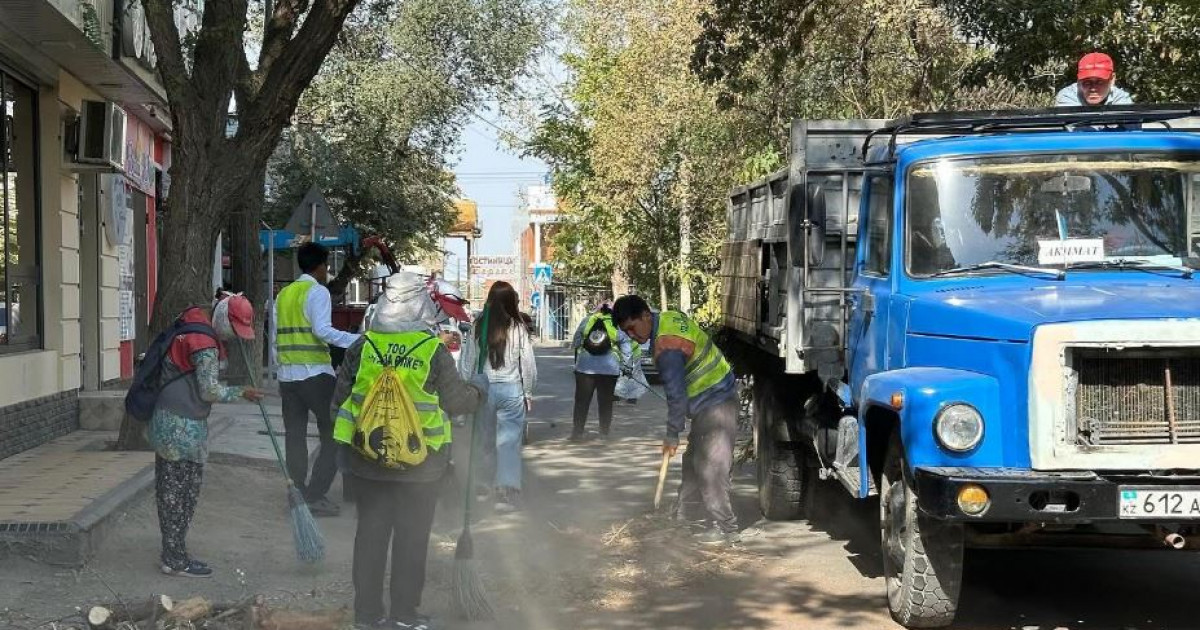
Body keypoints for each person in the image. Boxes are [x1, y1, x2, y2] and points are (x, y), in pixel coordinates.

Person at [331, 272, 484, 630]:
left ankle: (366, 615)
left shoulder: (363, 346)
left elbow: (338, 402)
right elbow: (456, 402)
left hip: (368, 461)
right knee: (412, 539)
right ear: (423, 307)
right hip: (422, 466)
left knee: (369, 536)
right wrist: (479, 393)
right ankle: (403, 614)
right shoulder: (431, 350)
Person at [150, 295, 264, 577]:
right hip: (183, 425)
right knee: (181, 493)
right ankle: (175, 559)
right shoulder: (204, 343)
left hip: (168, 419)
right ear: (224, 320)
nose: (234, 336)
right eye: (234, 329)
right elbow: (209, 390)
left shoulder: (189, 322)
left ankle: (173, 553)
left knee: (171, 489)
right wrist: (241, 392)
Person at [612, 295, 741, 545]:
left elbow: (676, 395)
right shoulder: (666, 319)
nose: (631, 335)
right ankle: (683, 519)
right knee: (692, 463)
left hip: (717, 401)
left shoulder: (666, 346)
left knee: (711, 468)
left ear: (646, 316)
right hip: (708, 401)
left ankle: (727, 530)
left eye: (632, 327)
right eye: (625, 331)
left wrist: (672, 434)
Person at [272, 242, 360, 517]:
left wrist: (280, 369)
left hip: (288, 378)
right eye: (327, 265)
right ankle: (315, 494)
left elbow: (275, 337)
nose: (328, 270)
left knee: (294, 438)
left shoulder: (283, 294)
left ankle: (296, 493)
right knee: (336, 433)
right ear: (320, 266)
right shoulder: (317, 291)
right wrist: (358, 340)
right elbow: (323, 330)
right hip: (315, 375)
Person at [475, 281, 537, 511]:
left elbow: (468, 362)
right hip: (512, 390)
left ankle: (482, 486)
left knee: (484, 440)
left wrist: (468, 389)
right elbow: (528, 364)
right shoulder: (518, 327)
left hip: (484, 390)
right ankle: (505, 493)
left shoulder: (478, 325)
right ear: (512, 302)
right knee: (509, 443)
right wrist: (528, 391)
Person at [570, 302, 634, 441]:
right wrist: (627, 367)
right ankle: (603, 435)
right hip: (609, 369)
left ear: (596, 311)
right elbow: (626, 346)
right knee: (605, 402)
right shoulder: (617, 324)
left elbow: (576, 341)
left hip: (585, 368)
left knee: (581, 402)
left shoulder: (587, 320)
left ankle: (577, 433)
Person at [1055, 52, 1133, 107]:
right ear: (1078, 81)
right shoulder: (1067, 96)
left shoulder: (1121, 98)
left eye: (1100, 82)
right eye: (1087, 82)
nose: (1093, 88)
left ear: (1112, 80)